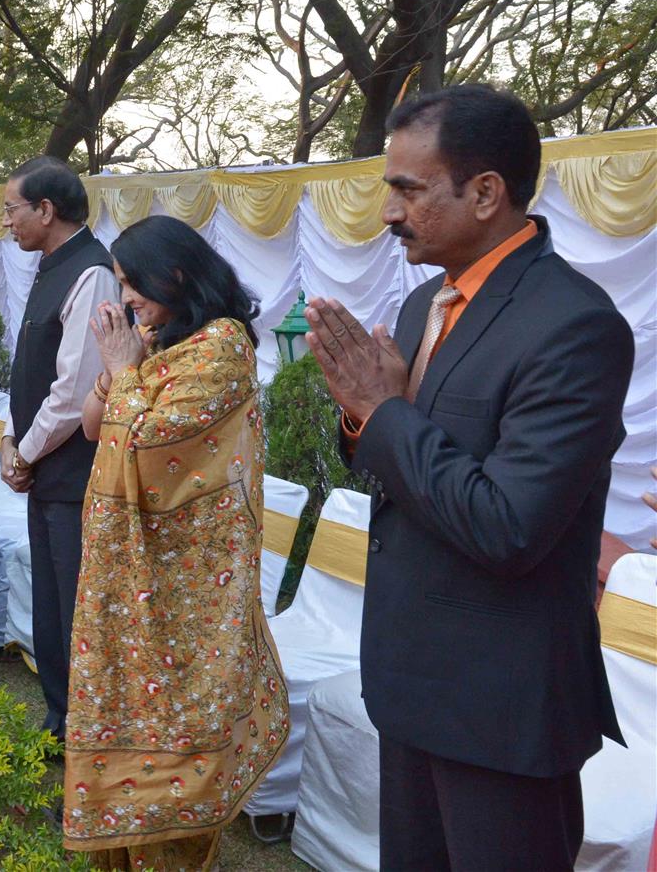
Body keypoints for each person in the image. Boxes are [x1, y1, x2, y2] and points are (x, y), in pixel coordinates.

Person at [303, 84, 633, 869]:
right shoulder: (424, 306)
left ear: (486, 192)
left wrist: (382, 413)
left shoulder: (574, 326)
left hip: (500, 703)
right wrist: (363, 420)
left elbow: (507, 526)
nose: (389, 211)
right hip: (411, 677)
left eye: (407, 189)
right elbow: (399, 466)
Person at [62, 214, 288, 869]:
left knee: (183, 731)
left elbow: (148, 455)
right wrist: (122, 367)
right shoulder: (155, 343)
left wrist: (125, 372)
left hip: (190, 586)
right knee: (130, 708)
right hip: (135, 579)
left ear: (177, 275)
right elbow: (92, 427)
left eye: (134, 282)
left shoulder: (220, 349)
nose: (126, 296)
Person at [0, 155, 118, 741]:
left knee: (74, 609)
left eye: (11, 209)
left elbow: (74, 391)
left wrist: (23, 452)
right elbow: (29, 370)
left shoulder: (91, 271)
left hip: (71, 475)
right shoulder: (51, 265)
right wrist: (10, 440)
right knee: (49, 603)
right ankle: (59, 716)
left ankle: (83, 729)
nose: (6, 222)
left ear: (46, 210)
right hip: (44, 469)